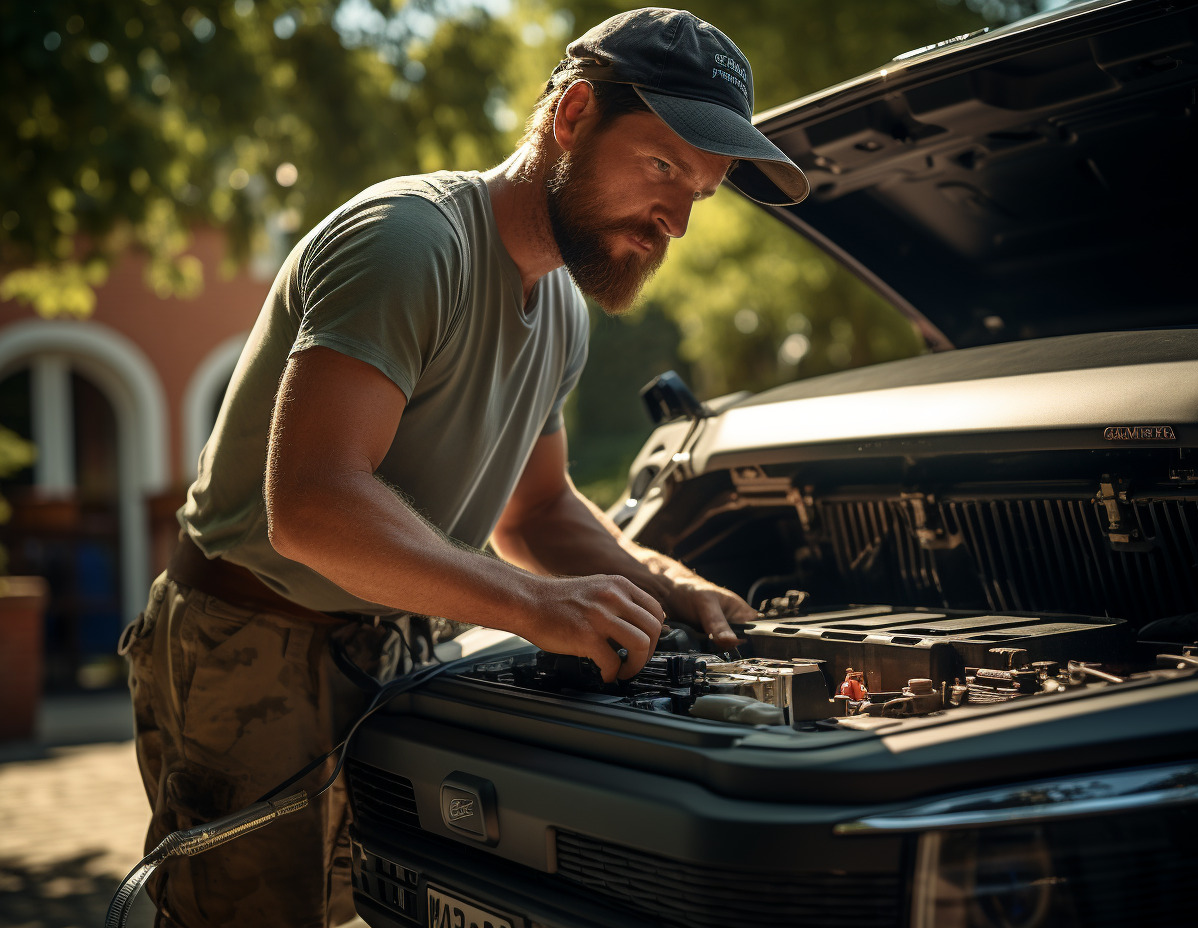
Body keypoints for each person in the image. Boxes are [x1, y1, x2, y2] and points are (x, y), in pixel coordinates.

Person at [117, 8, 809, 927]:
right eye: (661, 167)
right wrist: (531, 607)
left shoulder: (563, 306)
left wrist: (668, 586)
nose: (676, 221)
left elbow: (539, 514)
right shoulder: (411, 243)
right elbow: (313, 506)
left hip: (393, 649)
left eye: (700, 192)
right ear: (571, 117)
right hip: (251, 639)